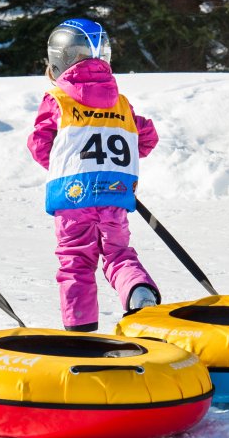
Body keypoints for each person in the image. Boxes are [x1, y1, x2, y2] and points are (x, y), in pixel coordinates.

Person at [27, 18, 161, 332]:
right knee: (118, 253)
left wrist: (70, 164)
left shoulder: (57, 100)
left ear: (57, 61)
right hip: (115, 193)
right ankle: (138, 291)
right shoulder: (122, 104)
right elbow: (148, 136)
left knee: (76, 261)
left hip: (74, 196)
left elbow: (39, 144)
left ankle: (80, 331)